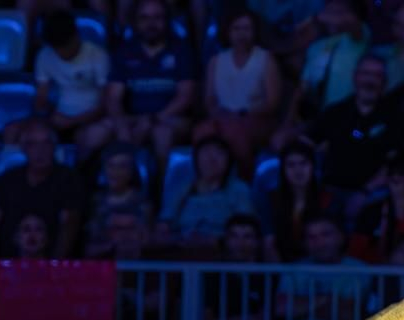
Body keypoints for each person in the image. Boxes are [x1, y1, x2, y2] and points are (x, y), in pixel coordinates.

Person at [101, 0, 199, 161]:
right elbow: (113, 97)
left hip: (171, 118)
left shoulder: (182, 50)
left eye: (157, 17)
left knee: (162, 134)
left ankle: (158, 185)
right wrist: (121, 125)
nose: (150, 24)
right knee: (93, 134)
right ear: (135, 22)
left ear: (167, 20)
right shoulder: (124, 51)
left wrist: (153, 119)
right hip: (134, 117)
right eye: (144, 18)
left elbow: (185, 97)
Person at [0, 119, 83, 257]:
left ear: (54, 146)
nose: (39, 150)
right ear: (23, 148)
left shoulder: (68, 179)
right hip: (8, 266)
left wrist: (55, 266)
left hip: (50, 266)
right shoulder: (8, 179)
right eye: (32, 144)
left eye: (46, 143)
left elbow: (69, 224)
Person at [196, 8, 282, 176]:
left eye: (246, 29)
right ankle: (206, 182)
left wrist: (243, 114)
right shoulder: (216, 61)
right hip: (223, 118)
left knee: (236, 131)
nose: (241, 34)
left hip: (256, 118)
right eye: (236, 29)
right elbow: (210, 99)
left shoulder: (266, 59)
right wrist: (220, 114)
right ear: (228, 31)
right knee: (202, 131)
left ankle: (243, 179)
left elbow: (272, 103)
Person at [308, 54, 404, 195]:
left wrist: (365, 192)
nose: (370, 80)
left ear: (384, 81)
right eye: (366, 73)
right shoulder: (335, 113)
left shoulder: (395, 117)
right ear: (355, 76)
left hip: (373, 193)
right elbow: (310, 143)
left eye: (377, 75)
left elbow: (395, 162)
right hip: (330, 189)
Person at [28, 10, 112, 151]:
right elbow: (41, 97)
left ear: (76, 37)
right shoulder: (44, 56)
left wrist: (73, 121)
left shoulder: (97, 55)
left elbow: (105, 104)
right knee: (15, 132)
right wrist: (49, 114)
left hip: (92, 119)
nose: (61, 53)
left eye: (65, 47)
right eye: (57, 49)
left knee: (86, 137)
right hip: (60, 118)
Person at [157, 135, 255, 249]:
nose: (211, 159)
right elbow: (163, 225)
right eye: (206, 152)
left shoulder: (239, 190)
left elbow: (247, 230)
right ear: (196, 159)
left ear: (229, 161)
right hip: (181, 249)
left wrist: (216, 241)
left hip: (223, 251)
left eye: (219, 153)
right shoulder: (180, 188)